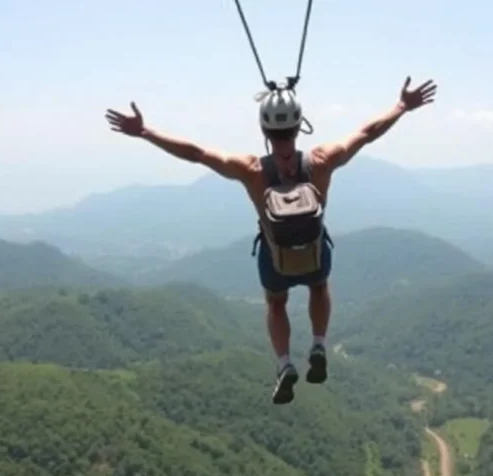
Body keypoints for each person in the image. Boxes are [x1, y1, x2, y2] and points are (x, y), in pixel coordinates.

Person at [105, 76, 437, 404]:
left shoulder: (251, 170)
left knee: (276, 304)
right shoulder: (321, 161)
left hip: (274, 260)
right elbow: (366, 133)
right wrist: (401, 106)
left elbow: (196, 153)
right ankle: (319, 344)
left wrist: (145, 132)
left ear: (264, 130)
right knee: (319, 287)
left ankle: (284, 363)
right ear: (299, 125)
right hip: (315, 253)